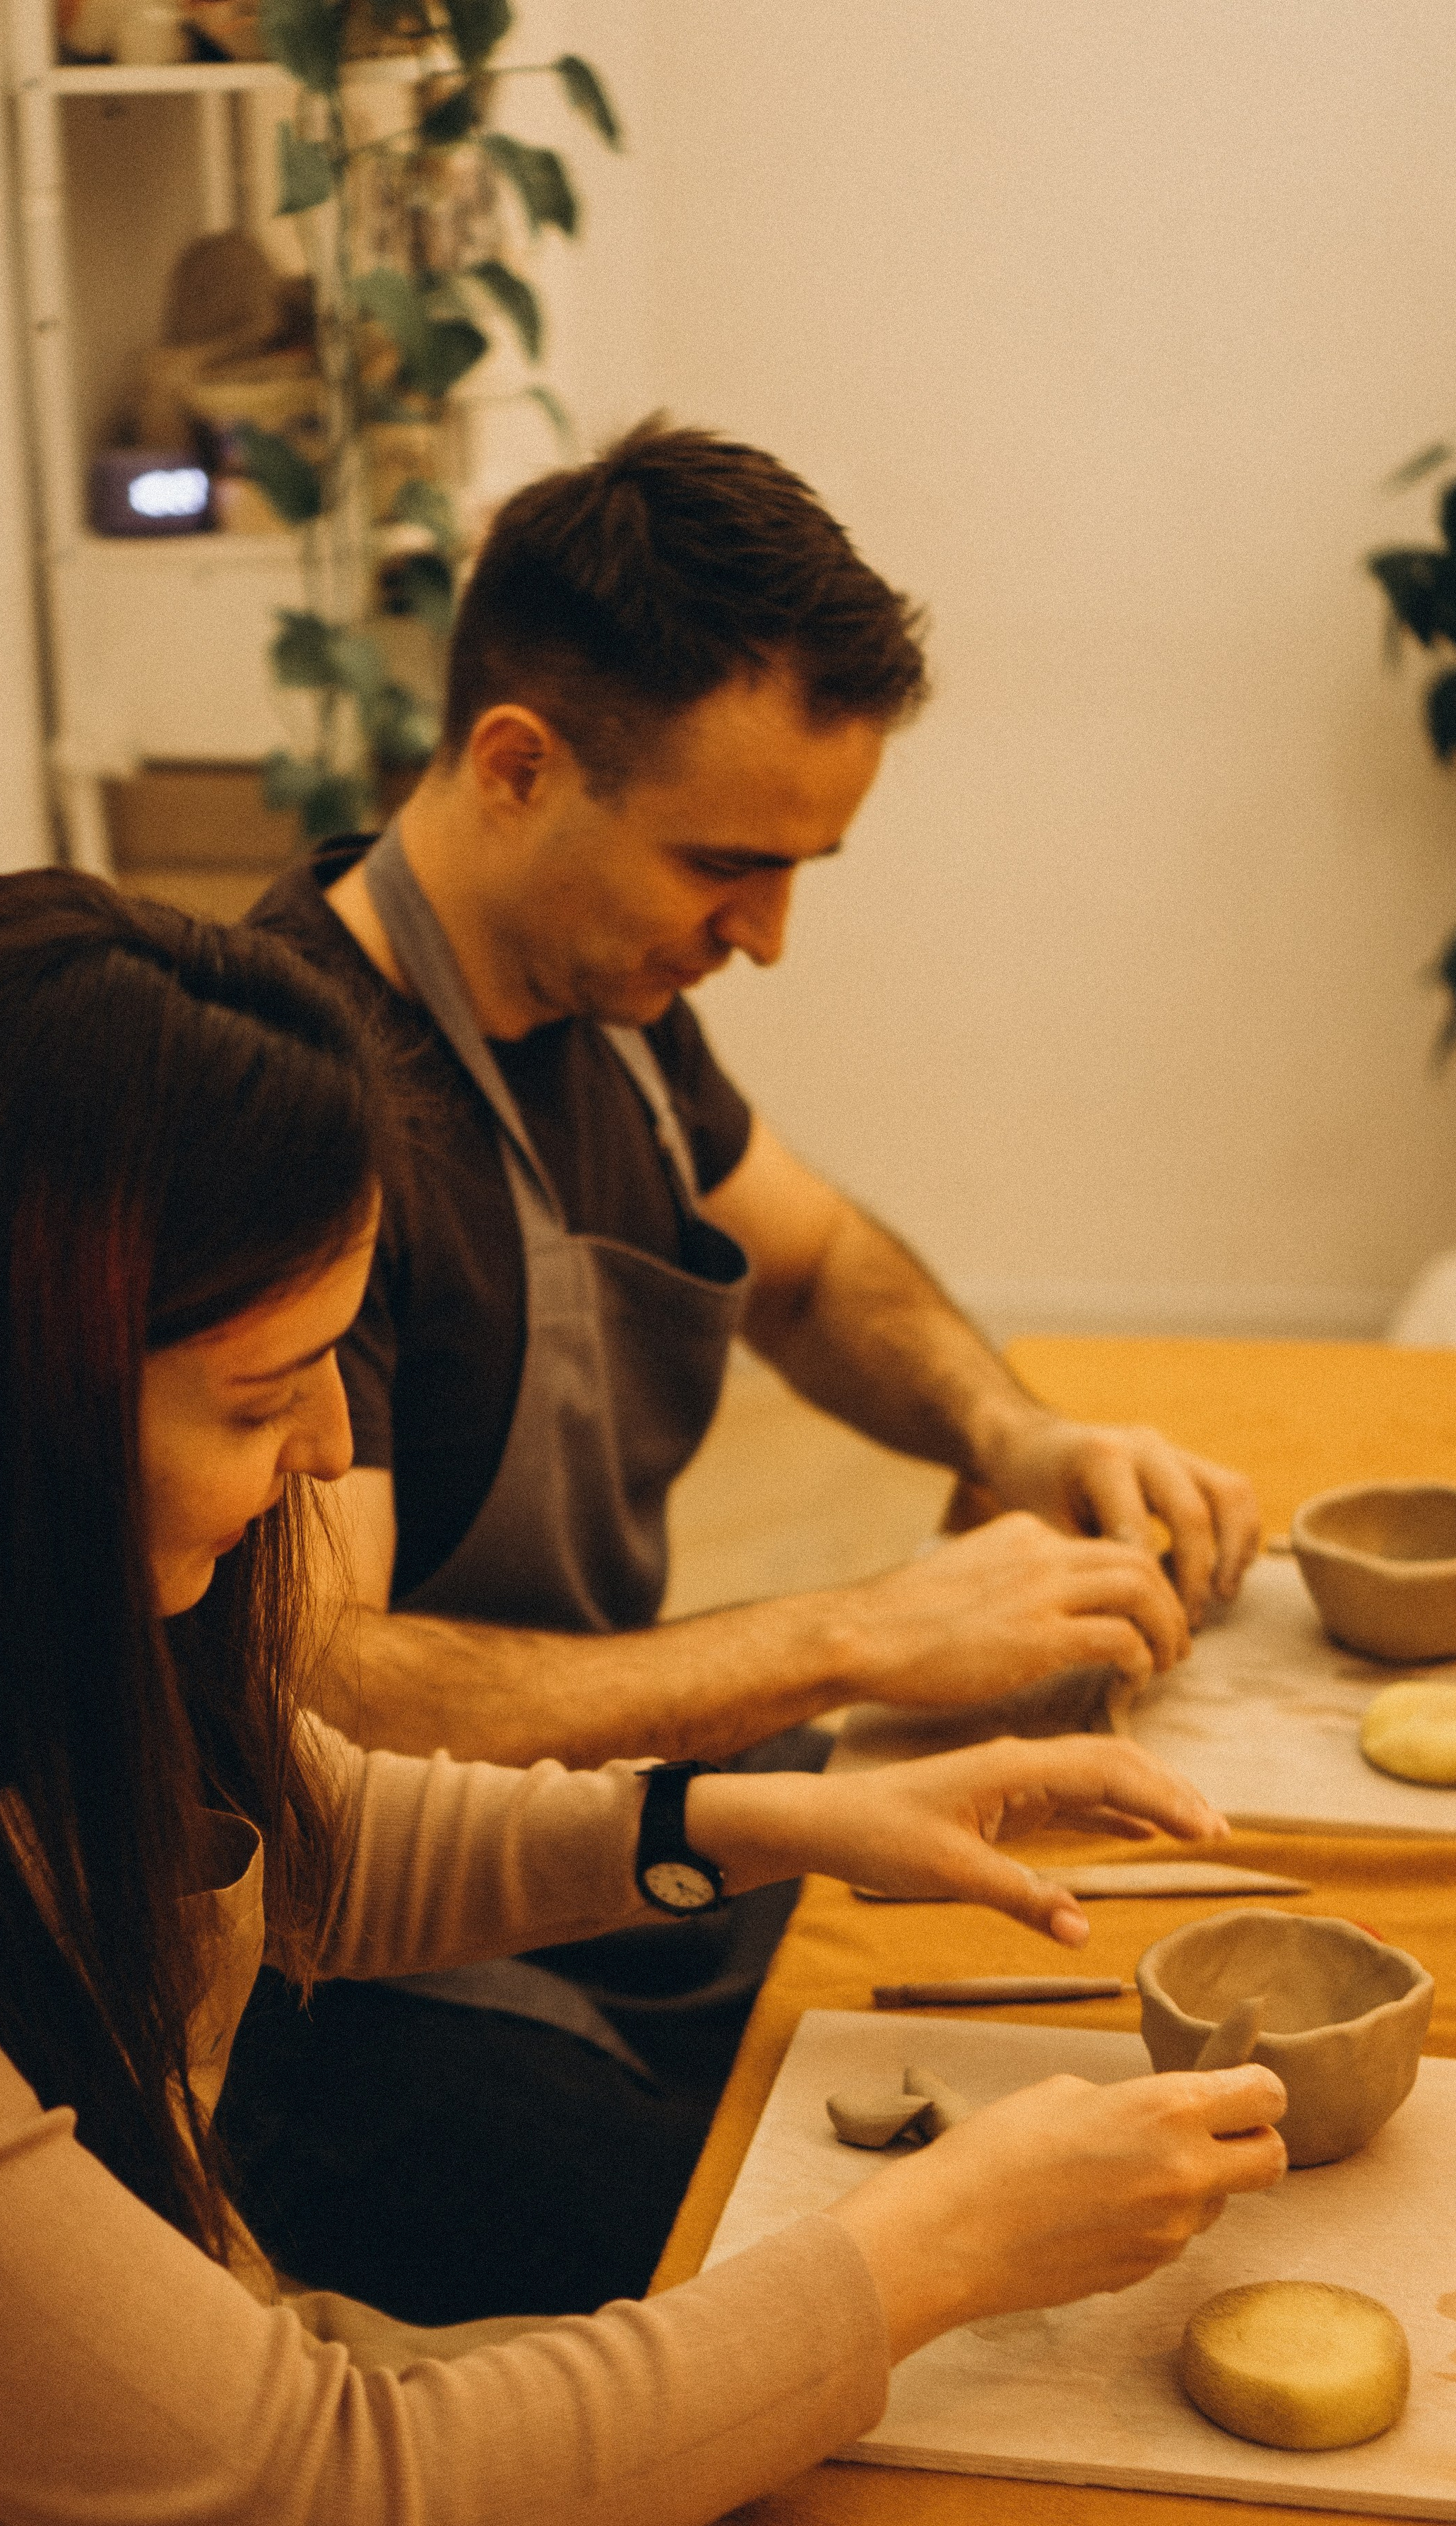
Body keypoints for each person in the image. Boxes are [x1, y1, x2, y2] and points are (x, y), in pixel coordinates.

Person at [0, 870, 1286, 2526]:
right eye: (268, 1392)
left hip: (225, 2502)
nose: (336, 1451)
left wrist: (742, 1824)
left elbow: (310, 1831)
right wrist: (931, 2255)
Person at [227, 420, 1265, 2316]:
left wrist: (1015, 1434)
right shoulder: (294, 1104)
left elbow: (821, 1271)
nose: (769, 939)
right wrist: (854, 1633)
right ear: (516, 764)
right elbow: (324, 1681)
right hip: (363, 1971)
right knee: (862, 2276)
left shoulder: (607, 1006)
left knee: (1041, 1985)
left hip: (619, 1819)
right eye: (728, 866)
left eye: (803, 869)